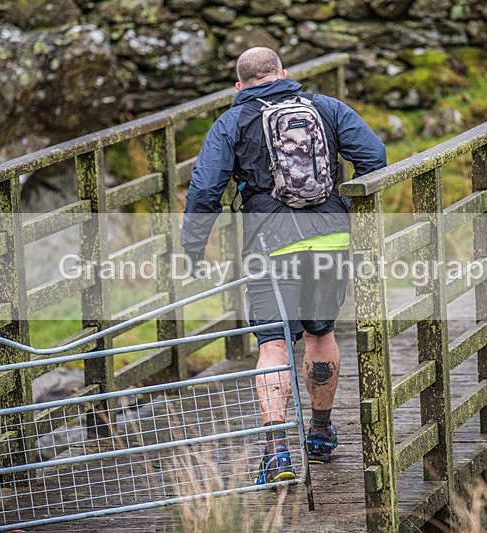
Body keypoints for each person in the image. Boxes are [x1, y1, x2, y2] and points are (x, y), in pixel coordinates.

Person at [181, 47, 386, 485]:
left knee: (273, 343)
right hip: (330, 233)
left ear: (239, 86)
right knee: (321, 332)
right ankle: (320, 434)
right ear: (284, 74)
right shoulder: (326, 107)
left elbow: (204, 191)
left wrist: (192, 249)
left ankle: (277, 453)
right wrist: (342, 208)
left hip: (269, 242)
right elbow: (374, 157)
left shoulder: (231, 122)